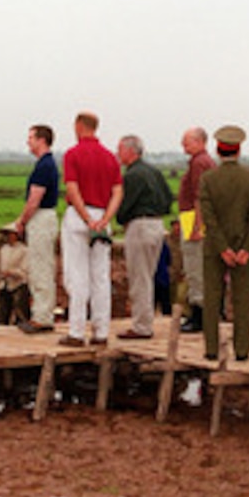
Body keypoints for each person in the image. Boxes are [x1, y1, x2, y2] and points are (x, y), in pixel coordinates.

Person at [58, 112, 124, 347]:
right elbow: (118, 191)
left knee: (77, 275)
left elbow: (73, 188)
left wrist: (86, 217)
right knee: (100, 276)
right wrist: (105, 218)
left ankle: (76, 331)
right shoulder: (110, 158)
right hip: (103, 217)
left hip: (80, 216)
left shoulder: (72, 154)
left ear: (78, 126)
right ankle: (101, 331)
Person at [199, 125, 249, 362]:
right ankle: (242, 349)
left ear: (218, 150)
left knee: (212, 297)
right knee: (242, 299)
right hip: (244, 248)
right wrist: (245, 247)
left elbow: (209, 218)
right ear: (238, 150)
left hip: (215, 249)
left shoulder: (208, 179)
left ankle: (212, 348)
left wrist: (222, 248)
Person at [115, 135, 173, 339]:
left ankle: (141, 326)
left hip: (139, 225)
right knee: (147, 275)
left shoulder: (132, 176)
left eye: (120, 150)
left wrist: (119, 218)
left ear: (131, 151)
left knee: (139, 277)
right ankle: (145, 321)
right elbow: (168, 199)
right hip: (158, 225)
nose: (118, 154)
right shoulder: (154, 172)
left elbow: (124, 206)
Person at [13, 124, 60, 333]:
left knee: (40, 267)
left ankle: (42, 317)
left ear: (42, 140)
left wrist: (22, 221)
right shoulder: (47, 164)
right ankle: (42, 314)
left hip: (41, 217)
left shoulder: (44, 166)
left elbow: (34, 199)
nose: (28, 142)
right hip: (45, 217)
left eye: (31, 137)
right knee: (42, 266)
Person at [177, 127, 217, 332]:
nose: (184, 145)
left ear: (200, 141)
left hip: (193, 219)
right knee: (196, 269)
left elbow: (199, 196)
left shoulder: (199, 163)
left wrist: (196, 226)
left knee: (195, 269)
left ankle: (198, 316)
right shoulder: (203, 161)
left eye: (187, 142)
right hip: (192, 218)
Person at [0, 222, 30, 325]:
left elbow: (25, 271)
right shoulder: (4, 249)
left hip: (19, 284)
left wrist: (11, 272)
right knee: (3, 311)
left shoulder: (24, 250)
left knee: (21, 311)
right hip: (4, 284)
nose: (9, 237)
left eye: (11, 234)